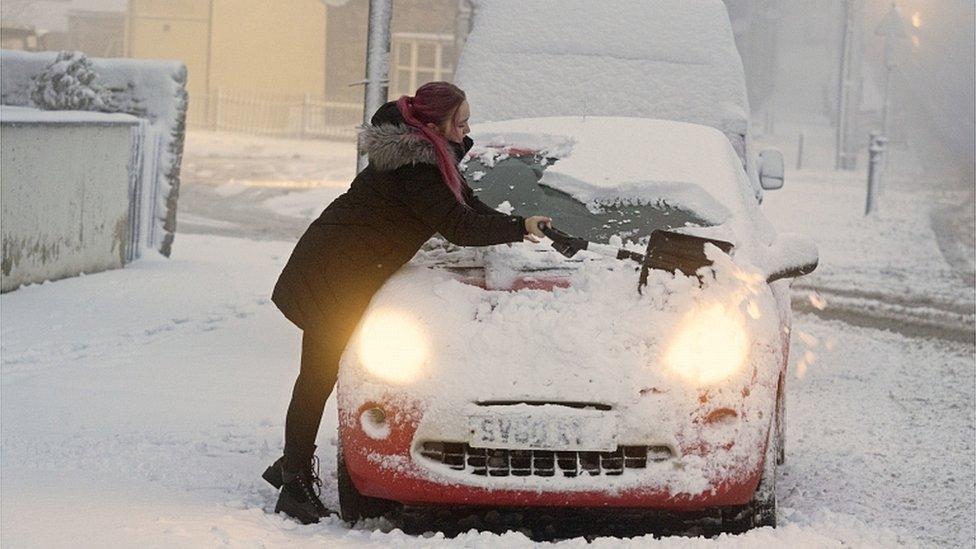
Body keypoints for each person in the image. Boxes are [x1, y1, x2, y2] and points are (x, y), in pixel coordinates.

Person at [262, 82, 552, 524]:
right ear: (436, 125)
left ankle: (291, 464)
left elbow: (469, 206)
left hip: (345, 264)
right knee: (317, 376)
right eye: (462, 122)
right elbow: (459, 226)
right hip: (334, 272)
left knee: (318, 375)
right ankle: (295, 483)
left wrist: (521, 224)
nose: (468, 129)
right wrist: (517, 228)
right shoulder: (416, 168)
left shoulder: (431, 157)